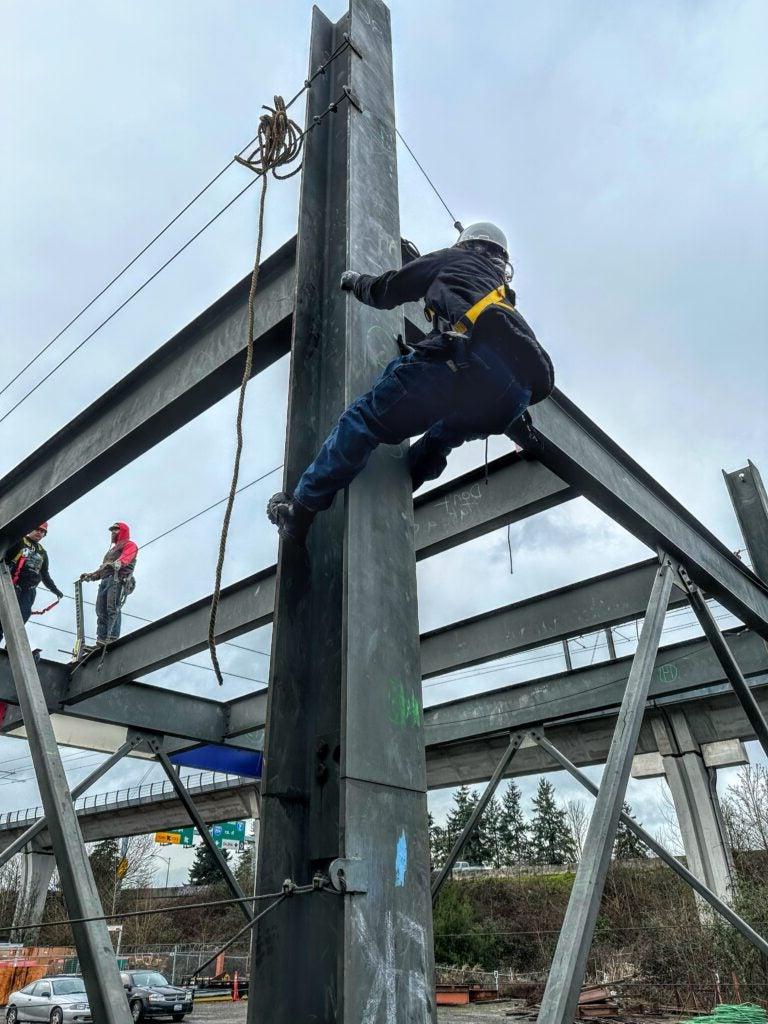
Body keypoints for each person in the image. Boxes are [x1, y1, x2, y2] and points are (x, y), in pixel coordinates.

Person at [267, 222, 554, 544]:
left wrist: (357, 282)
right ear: (503, 262)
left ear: (466, 245)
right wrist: (529, 440)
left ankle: (300, 510)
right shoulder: (502, 299)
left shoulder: (453, 260)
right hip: (510, 400)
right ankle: (399, 492)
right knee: (442, 436)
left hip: (459, 369)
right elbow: (486, 354)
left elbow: (388, 290)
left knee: (365, 419)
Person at [0, 523, 64, 642]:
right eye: (37, 529)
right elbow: (5, 558)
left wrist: (56, 590)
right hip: (11, 585)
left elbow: (45, 574)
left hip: (28, 591)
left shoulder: (42, 552)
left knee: (22, 616)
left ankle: (11, 645)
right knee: (2, 616)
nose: (39, 532)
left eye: (42, 531)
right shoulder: (19, 541)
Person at [80, 522, 138, 646]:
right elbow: (104, 569)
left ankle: (112, 637)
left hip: (117, 579)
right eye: (112, 530)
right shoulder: (111, 550)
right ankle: (101, 639)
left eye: (115, 530)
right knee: (100, 610)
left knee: (112, 608)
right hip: (106, 580)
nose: (112, 532)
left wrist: (118, 563)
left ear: (122, 531)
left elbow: (126, 557)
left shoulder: (129, 544)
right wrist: (92, 576)